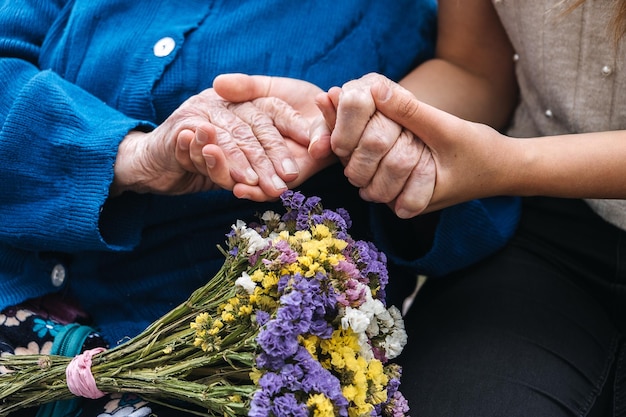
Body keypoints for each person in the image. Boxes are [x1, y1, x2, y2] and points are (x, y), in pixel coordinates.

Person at [0, 1, 438, 416]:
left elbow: (439, 181)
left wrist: (360, 144)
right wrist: (132, 154)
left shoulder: (398, 20)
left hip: (203, 369)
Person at [301, 0, 626, 415]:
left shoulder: (511, 165)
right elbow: (473, 67)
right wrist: (363, 119)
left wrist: (509, 164)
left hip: (519, 171)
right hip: (545, 230)